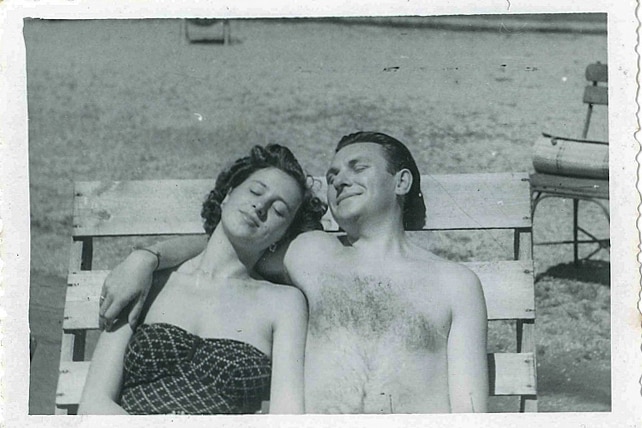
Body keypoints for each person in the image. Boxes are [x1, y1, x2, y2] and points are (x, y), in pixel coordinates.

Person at [99, 132, 489, 413]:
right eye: (333, 175)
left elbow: (471, 410)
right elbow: (235, 240)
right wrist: (148, 257)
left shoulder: (454, 284)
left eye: (358, 168)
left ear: (401, 181)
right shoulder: (311, 254)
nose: (339, 180)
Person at [78, 144, 326, 415]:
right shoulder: (148, 280)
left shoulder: (284, 303)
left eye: (279, 210)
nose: (261, 205)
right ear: (227, 195)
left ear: (281, 236)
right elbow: (93, 404)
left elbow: (286, 417)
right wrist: (145, 258)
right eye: (255, 191)